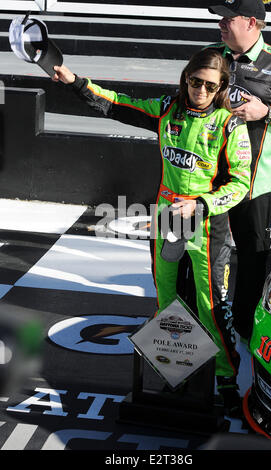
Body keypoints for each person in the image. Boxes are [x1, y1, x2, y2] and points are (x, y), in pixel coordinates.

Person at [52, 48, 252, 416]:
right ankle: (174, 369)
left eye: (210, 85)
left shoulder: (230, 124)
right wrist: (76, 83)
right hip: (167, 220)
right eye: (195, 82)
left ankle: (225, 378)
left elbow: (241, 183)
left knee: (212, 307)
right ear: (185, 79)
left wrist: (202, 203)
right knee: (166, 302)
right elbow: (118, 104)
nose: (201, 91)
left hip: (208, 226)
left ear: (222, 86)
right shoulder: (166, 109)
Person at [207, 0, 271, 341]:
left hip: (253, 182)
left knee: (251, 255)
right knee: (198, 251)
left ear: (250, 22)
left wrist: (268, 113)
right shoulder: (211, 56)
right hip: (206, 177)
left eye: (226, 19)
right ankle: (202, 321)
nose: (220, 24)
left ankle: (245, 328)